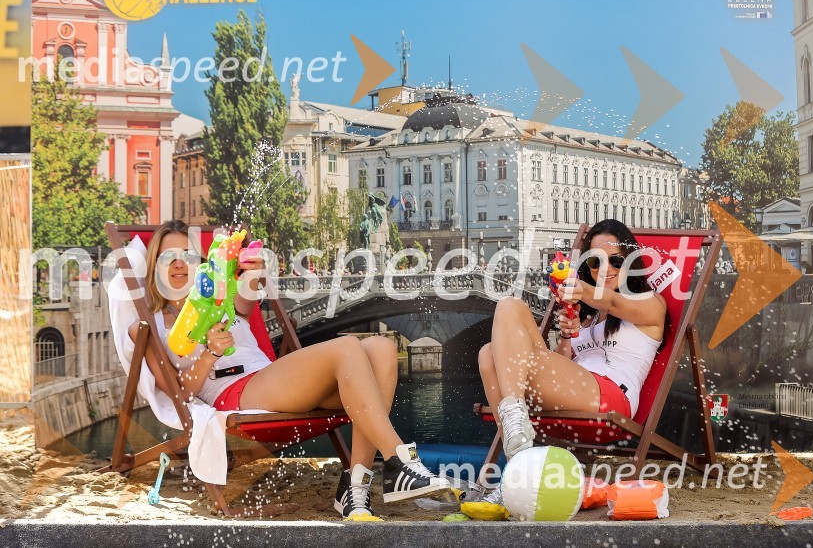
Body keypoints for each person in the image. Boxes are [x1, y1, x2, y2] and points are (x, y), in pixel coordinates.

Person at [128, 221, 449, 520]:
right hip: (233, 392)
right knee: (348, 347)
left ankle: (356, 489)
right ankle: (400, 461)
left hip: (273, 377)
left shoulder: (223, 297)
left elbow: (248, 292)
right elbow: (181, 395)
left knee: (382, 348)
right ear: (155, 267)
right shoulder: (151, 326)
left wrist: (251, 267)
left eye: (187, 254)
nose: (180, 263)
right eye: (169, 256)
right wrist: (210, 353)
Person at [477, 219, 667, 504]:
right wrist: (567, 337)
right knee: (499, 328)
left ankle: (515, 469)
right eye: (595, 263)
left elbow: (614, 303)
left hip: (612, 398)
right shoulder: (588, 317)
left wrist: (580, 289)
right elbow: (564, 366)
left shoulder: (651, 304)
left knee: (496, 344)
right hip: (577, 390)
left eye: (615, 260)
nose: (606, 269)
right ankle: (517, 457)